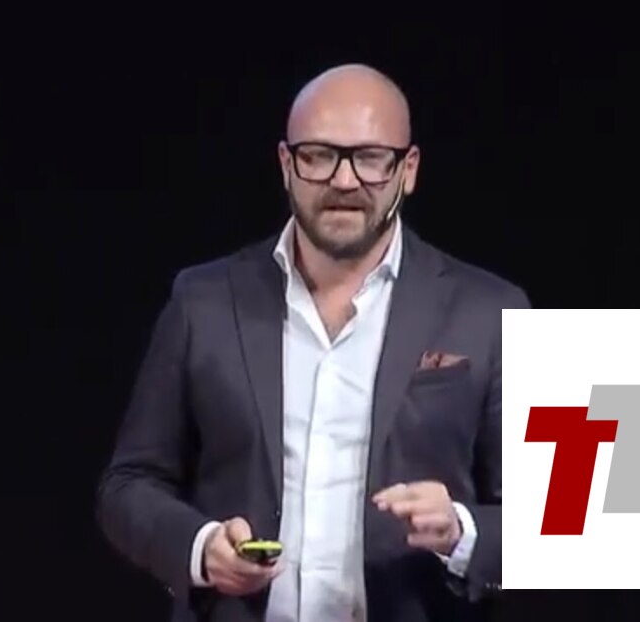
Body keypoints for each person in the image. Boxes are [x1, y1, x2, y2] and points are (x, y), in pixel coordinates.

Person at [96, 63, 531, 622]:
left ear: (408, 170)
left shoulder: (491, 310)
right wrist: (202, 549)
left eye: (370, 157)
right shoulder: (202, 300)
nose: (344, 181)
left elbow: (554, 518)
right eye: (319, 155)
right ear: (286, 164)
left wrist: (459, 530)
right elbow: (128, 485)